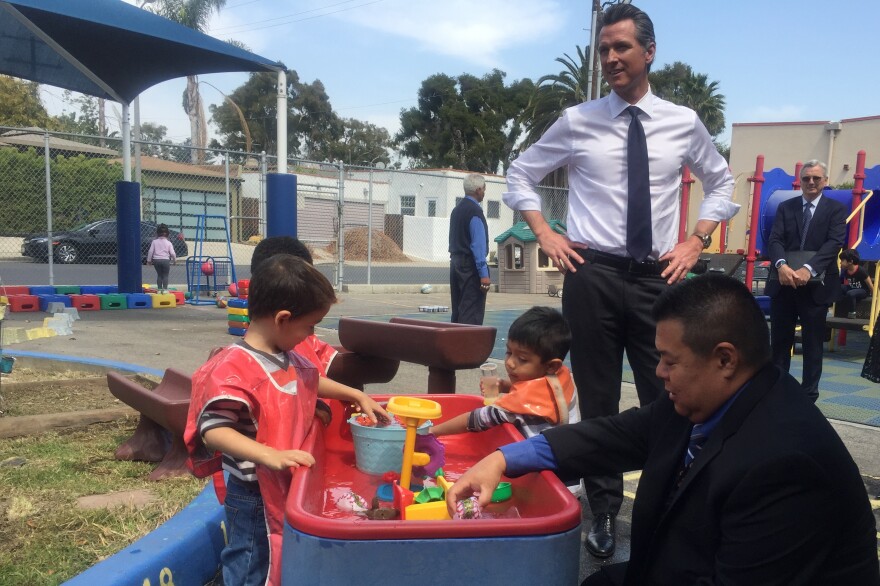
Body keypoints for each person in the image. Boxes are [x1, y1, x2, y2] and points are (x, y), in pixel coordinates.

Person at [446, 274, 879, 586]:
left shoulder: (784, 464)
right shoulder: (703, 400)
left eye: (670, 361)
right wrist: (503, 458)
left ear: (725, 359)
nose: (658, 372)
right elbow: (614, 436)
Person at [501, 3, 738, 557]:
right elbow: (521, 173)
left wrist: (696, 239)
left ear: (649, 52)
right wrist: (544, 232)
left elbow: (722, 182)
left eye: (621, 47)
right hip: (593, 275)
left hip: (659, 278)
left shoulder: (682, 122)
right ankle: (604, 511)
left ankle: (670, 504)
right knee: (600, 401)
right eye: (603, 49)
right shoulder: (577, 121)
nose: (610, 57)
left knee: (671, 396)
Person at [184, 255, 388, 586]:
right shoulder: (234, 368)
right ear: (282, 319)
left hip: (281, 482)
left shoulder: (285, 355)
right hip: (252, 493)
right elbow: (215, 431)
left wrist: (354, 394)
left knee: (277, 555)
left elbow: (309, 379)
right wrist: (269, 454)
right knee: (249, 561)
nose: (311, 334)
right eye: (310, 326)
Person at [430, 306, 580, 440]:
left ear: (551, 365)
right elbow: (535, 390)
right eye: (509, 352)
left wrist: (433, 431)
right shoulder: (560, 376)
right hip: (567, 449)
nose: (510, 363)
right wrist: (504, 386)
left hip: (539, 461)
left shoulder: (514, 408)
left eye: (522, 359)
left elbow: (474, 419)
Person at [766, 160, 847, 402]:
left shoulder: (836, 210)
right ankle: (777, 391)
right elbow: (775, 239)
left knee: (813, 344)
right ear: (800, 181)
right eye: (806, 178)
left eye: (816, 178)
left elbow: (834, 243)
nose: (811, 182)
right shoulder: (785, 207)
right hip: (784, 284)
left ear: (825, 181)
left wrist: (808, 269)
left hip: (816, 287)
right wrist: (781, 265)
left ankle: (808, 396)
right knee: (780, 342)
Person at [449, 173, 491, 325]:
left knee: (458, 308)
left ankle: (455, 338)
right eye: (484, 189)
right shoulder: (475, 212)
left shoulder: (456, 210)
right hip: (470, 267)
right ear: (478, 190)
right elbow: (477, 246)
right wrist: (484, 274)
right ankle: (468, 339)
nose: (484, 192)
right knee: (471, 311)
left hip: (455, 263)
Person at [838, 248, 873, 318]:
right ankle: (841, 307)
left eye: (842, 260)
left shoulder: (861, 271)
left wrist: (873, 295)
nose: (840, 262)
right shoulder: (846, 271)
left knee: (850, 293)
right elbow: (848, 283)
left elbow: (870, 285)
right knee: (839, 287)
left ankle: (852, 313)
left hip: (863, 291)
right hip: (852, 287)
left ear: (850, 262)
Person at [146, 223, 176, 292]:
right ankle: (165, 290)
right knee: (165, 275)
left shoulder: (154, 242)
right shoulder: (168, 243)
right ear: (168, 234)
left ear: (157, 233)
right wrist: (174, 260)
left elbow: (150, 251)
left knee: (159, 275)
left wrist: (149, 260)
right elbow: (172, 253)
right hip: (165, 260)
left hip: (156, 260)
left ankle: (159, 289)